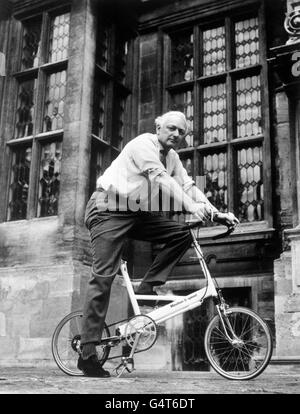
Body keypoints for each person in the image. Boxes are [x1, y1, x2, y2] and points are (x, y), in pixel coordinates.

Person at [78, 111, 239, 377]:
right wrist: (191, 208)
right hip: (107, 207)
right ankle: (87, 354)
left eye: (182, 132)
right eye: (172, 128)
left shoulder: (173, 157)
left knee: (182, 233)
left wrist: (216, 212)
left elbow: (188, 186)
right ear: (158, 127)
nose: (176, 134)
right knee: (103, 277)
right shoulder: (143, 145)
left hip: (133, 211)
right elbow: (160, 178)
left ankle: (148, 288)